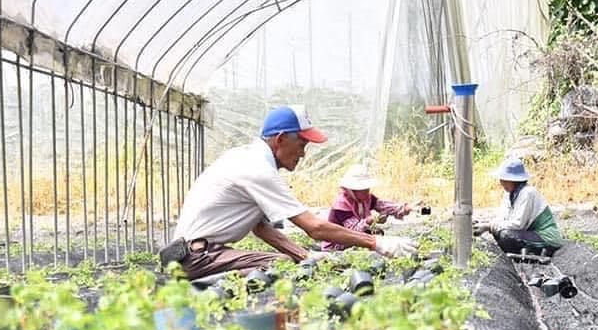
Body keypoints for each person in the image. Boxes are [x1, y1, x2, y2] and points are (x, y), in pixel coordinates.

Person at [166, 106, 418, 280]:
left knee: (290, 261)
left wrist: (306, 255)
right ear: (281, 139)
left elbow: (261, 228)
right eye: (302, 144)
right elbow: (314, 228)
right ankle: (201, 290)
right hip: (197, 258)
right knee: (279, 266)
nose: (303, 153)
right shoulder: (258, 169)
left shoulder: (246, 159)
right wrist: (376, 243)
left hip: (194, 254)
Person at [474, 158, 563, 256]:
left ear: (514, 180)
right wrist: (485, 224)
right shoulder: (509, 194)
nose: (501, 182)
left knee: (505, 235)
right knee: (499, 231)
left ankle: (537, 250)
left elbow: (518, 225)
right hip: (529, 233)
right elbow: (503, 218)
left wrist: (489, 226)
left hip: (544, 237)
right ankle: (525, 250)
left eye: (505, 180)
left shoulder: (528, 193)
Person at [321, 163, 413, 251]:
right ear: (352, 190)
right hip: (337, 242)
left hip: (353, 237)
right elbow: (352, 230)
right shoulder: (341, 205)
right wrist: (371, 220)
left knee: (378, 233)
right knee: (374, 236)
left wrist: (403, 208)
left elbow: (383, 205)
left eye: (367, 189)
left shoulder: (367, 198)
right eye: (362, 189)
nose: (366, 192)